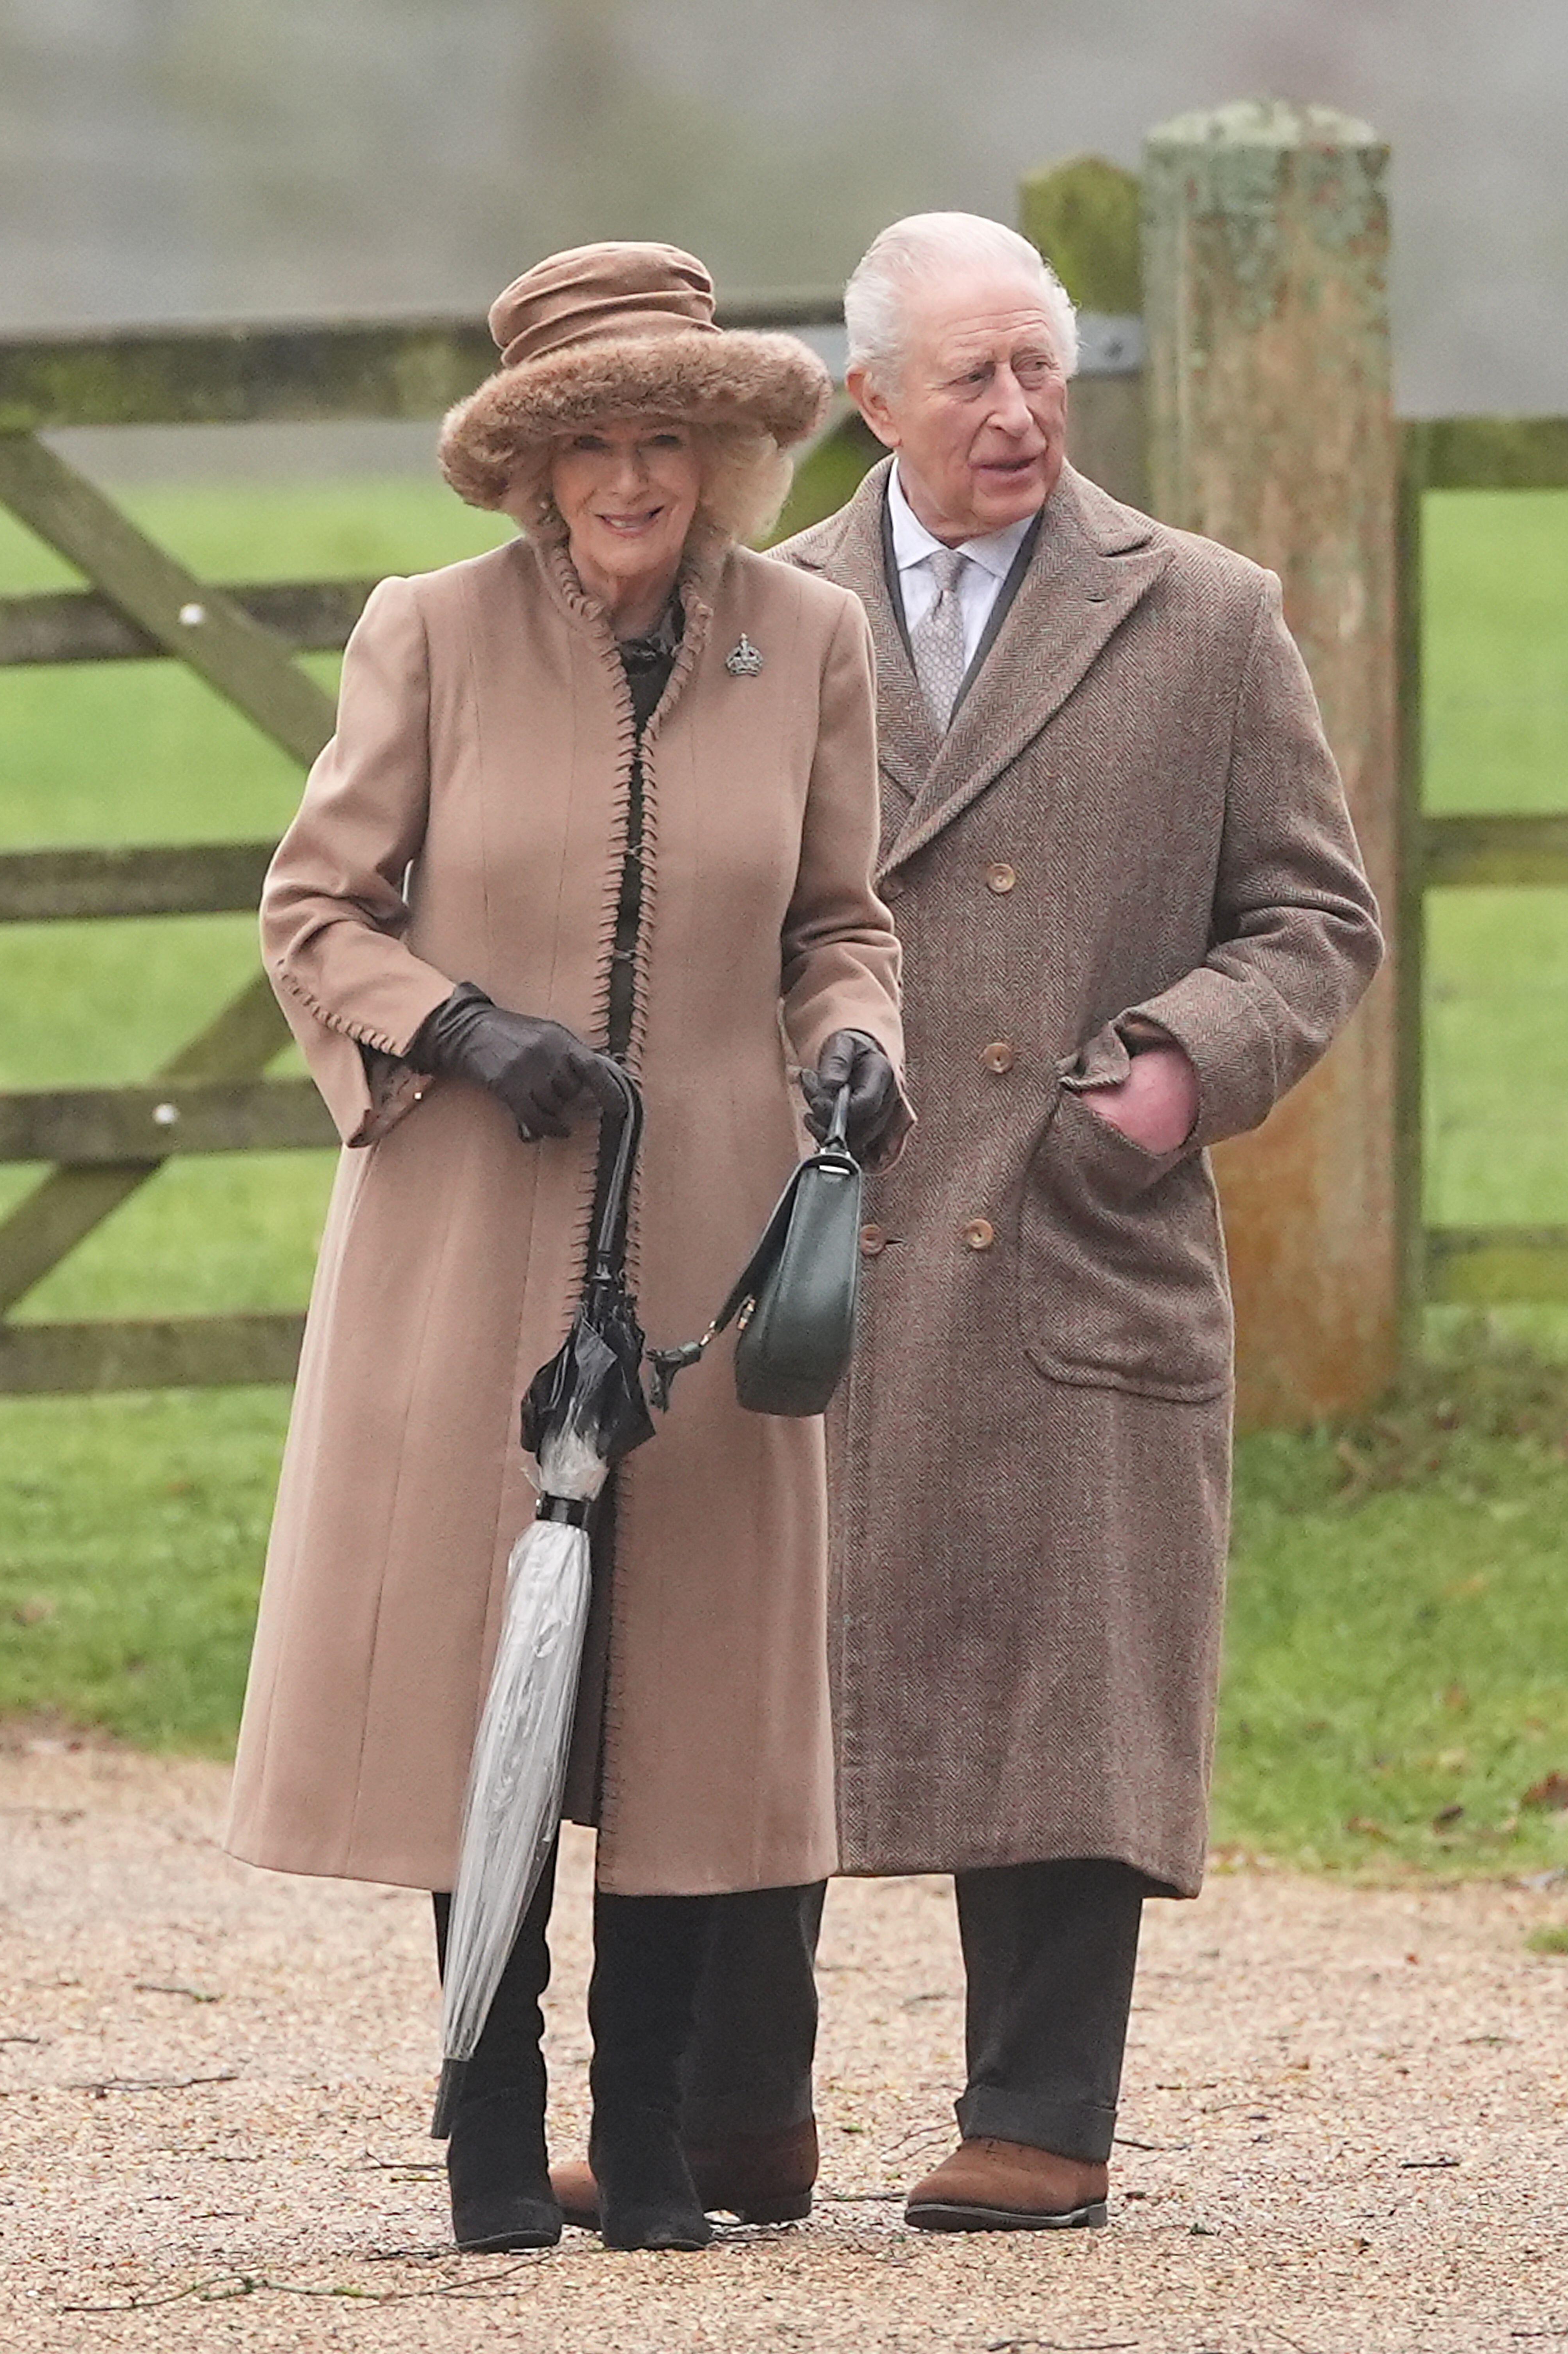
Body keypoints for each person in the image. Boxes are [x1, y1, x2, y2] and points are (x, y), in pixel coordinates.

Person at [553, 211, 1383, 2236]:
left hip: (1067, 1218)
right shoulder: (755, 610)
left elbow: (1312, 917)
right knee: (749, 1670)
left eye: (1041, 372)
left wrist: (1175, 1071)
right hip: (798, 1229)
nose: (1017, 414)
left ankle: (1041, 2116)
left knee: (1067, 1662)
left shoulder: (1201, 612)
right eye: (971, 379)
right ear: (869, 400)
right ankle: (733, 2117)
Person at [224, 241, 910, 2257]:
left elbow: (838, 928)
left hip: (707, 1227)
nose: (631, 480)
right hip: (469, 1218)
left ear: (720, 456)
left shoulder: (809, 639)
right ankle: (491, 2127)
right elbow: (315, 911)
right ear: (535, 467)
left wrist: (857, 1048)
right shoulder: (427, 633)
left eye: (666, 441)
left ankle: (652, 2135)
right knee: (486, 1668)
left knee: (694, 1681)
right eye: (591, 444)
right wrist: (461, 1029)